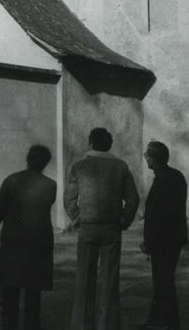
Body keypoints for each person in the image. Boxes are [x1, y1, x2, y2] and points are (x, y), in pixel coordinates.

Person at [65, 127, 140, 330]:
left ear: (90, 143)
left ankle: (81, 325)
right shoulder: (120, 166)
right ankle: (107, 325)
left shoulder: (79, 166)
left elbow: (69, 198)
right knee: (109, 278)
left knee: (84, 277)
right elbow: (133, 198)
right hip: (111, 227)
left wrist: (77, 217)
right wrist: (125, 220)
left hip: (87, 226)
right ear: (110, 145)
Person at [0, 144, 56, 330]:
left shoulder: (11, 181)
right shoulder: (50, 185)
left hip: (13, 242)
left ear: (28, 159)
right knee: (34, 294)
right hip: (39, 243)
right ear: (45, 163)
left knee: (10, 291)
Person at [137, 140, 188, 330]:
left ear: (153, 159)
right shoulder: (174, 176)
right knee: (161, 281)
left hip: (164, 241)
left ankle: (169, 322)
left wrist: (149, 243)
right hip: (174, 238)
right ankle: (156, 318)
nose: (146, 159)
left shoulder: (163, 180)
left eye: (147, 156)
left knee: (163, 281)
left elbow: (159, 217)